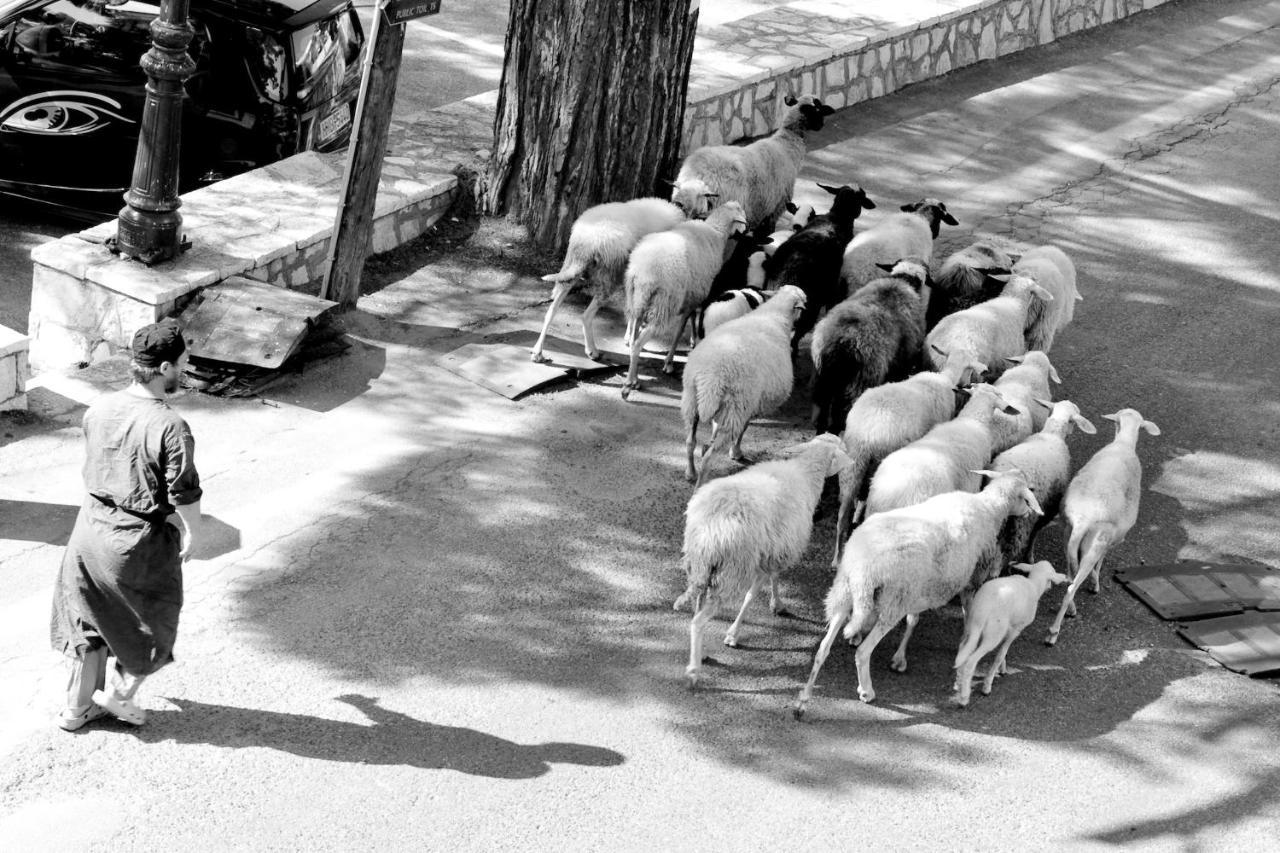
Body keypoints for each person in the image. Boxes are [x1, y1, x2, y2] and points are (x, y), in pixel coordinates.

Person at [50, 318, 202, 730]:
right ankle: (119, 695)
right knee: (153, 625)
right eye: (183, 363)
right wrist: (193, 531)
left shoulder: (99, 407)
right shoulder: (170, 425)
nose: (185, 370)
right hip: (135, 544)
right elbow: (183, 491)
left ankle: (76, 709)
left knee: (91, 622)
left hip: (88, 534)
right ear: (166, 368)